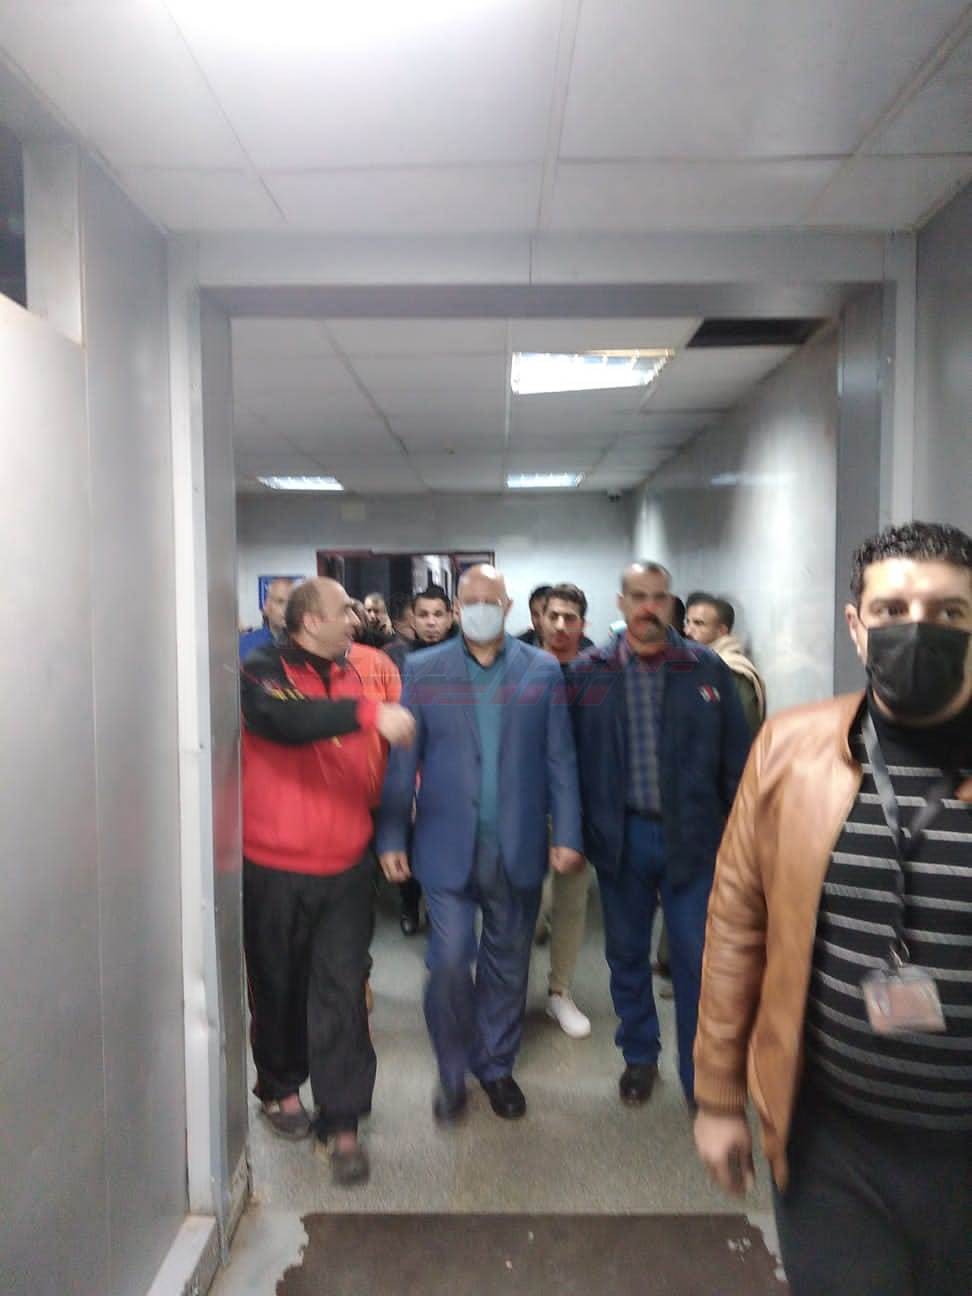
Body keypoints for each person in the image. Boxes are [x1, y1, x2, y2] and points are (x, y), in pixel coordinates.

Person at [693, 521, 972, 1296]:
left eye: (948, 612)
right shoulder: (790, 750)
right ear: (856, 625)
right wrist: (717, 1098)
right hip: (831, 1146)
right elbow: (737, 927)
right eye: (891, 611)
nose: (917, 629)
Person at [377, 564, 584, 1123]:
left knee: (507, 965)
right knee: (448, 963)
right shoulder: (424, 669)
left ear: (508, 608)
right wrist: (392, 833)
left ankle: (494, 1065)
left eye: (490, 602)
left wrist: (568, 833)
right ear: (456, 609)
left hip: (516, 843)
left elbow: (560, 758)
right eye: (469, 602)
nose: (480, 611)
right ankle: (451, 1072)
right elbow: (404, 758)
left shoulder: (541, 670)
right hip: (444, 845)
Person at [241, 578, 414, 1186]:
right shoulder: (262, 671)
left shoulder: (355, 673)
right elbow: (283, 719)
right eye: (344, 609)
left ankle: (342, 1120)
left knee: (342, 991)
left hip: (344, 867)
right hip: (274, 866)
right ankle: (281, 1087)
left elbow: (367, 760)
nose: (355, 617)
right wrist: (369, 713)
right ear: (311, 621)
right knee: (278, 984)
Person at [570, 561, 751, 1107]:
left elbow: (737, 760)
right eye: (637, 596)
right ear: (621, 603)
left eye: (658, 596)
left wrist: (738, 834)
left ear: (671, 603)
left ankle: (700, 1074)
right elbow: (570, 760)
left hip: (692, 839)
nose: (648, 607)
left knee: (697, 960)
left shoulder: (704, 669)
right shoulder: (589, 673)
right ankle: (639, 1056)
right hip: (620, 839)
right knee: (626, 955)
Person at [535, 583, 595, 1039]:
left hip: (578, 807)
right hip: (524, 806)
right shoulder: (518, 670)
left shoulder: (598, 675)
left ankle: (560, 991)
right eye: (552, 615)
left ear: (582, 624)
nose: (560, 625)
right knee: (522, 904)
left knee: (572, 902)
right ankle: (505, 992)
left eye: (569, 618)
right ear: (539, 618)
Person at [384, 585, 458, 934]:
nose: (431, 622)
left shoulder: (465, 655)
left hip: (449, 766)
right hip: (407, 759)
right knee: (411, 840)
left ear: (450, 617)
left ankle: (441, 911)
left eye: (438, 615)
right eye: (423, 615)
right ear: (411, 619)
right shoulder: (393, 657)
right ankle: (409, 904)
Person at [684, 592, 766, 734]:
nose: (688, 631)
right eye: (687, 622)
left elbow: (745, 730)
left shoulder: (732, 670)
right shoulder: (696, 664)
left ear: (721, 631)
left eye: (698, 623)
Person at [239, 577, 294, 662]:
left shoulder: (307, 645)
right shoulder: (247, 643)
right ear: (266, 606)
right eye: (280, 601)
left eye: (292, 603)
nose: (287, 609)